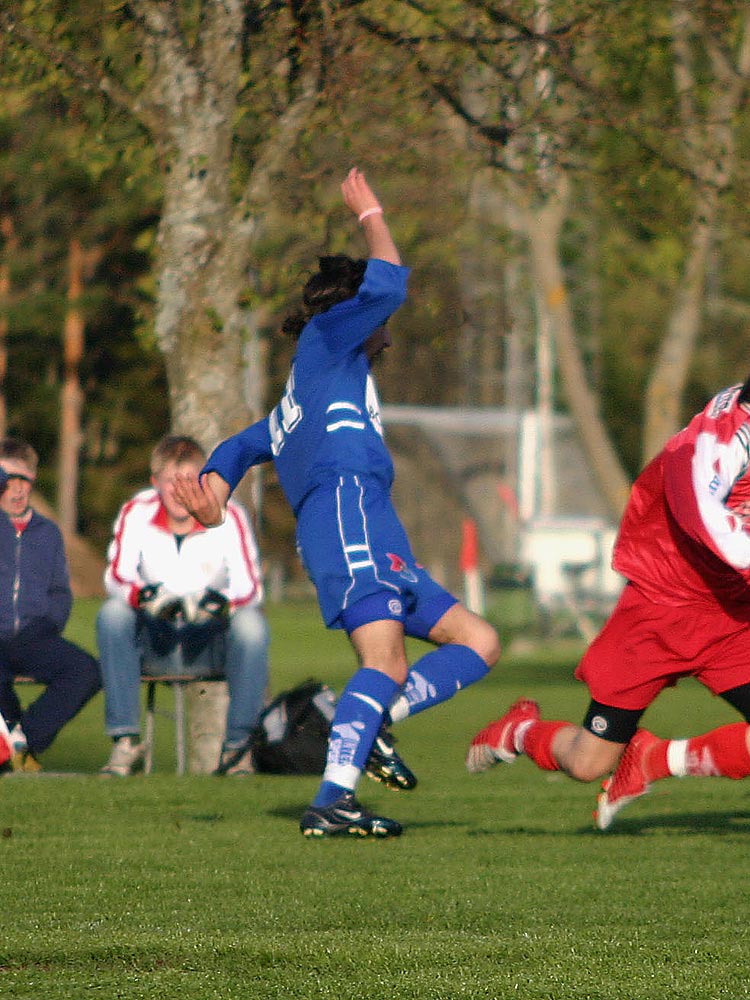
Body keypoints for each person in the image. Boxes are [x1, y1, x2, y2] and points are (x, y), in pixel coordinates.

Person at [466, 340, 750, 829]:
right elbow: (698, 512)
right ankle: (520, 730)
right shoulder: (719, 442)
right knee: (586, 763)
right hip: (659, 611)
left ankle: (653, 761)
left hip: (727, 614)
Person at [176, 167, 500, 838]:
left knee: (479, 641)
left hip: (368, 523)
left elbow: (245, 442)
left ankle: (368, 723)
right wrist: (372, 213)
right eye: (375, 319)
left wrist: (215, 486)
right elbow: (389, 280)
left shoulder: (319, 387)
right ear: (352, 314)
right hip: (347, 515)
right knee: (383, 661)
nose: (387, 326)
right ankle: (331, 800)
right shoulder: (327, 339)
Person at [97, 434, 271, 776]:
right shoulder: (136, 512)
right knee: (112, 614)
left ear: (205, 481)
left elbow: (250, 588)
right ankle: (124, 743)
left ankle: (238, 749)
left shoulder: (230, 515)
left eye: (189, 483)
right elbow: (116, 577)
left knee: (252, 626)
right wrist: (148, 598)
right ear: (154, 483)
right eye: (170, 483)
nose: (179, 493)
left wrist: (216, 605)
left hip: (209, 639)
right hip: (155, 637)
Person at [0, 437, 102, 773]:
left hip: (34, 636)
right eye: (7, 481)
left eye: (23, 481)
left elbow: (60, 593)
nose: (16, 491)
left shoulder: (48, 533)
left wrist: (47, 625)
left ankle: (24, 739)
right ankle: (11, 748)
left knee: (85, 671)